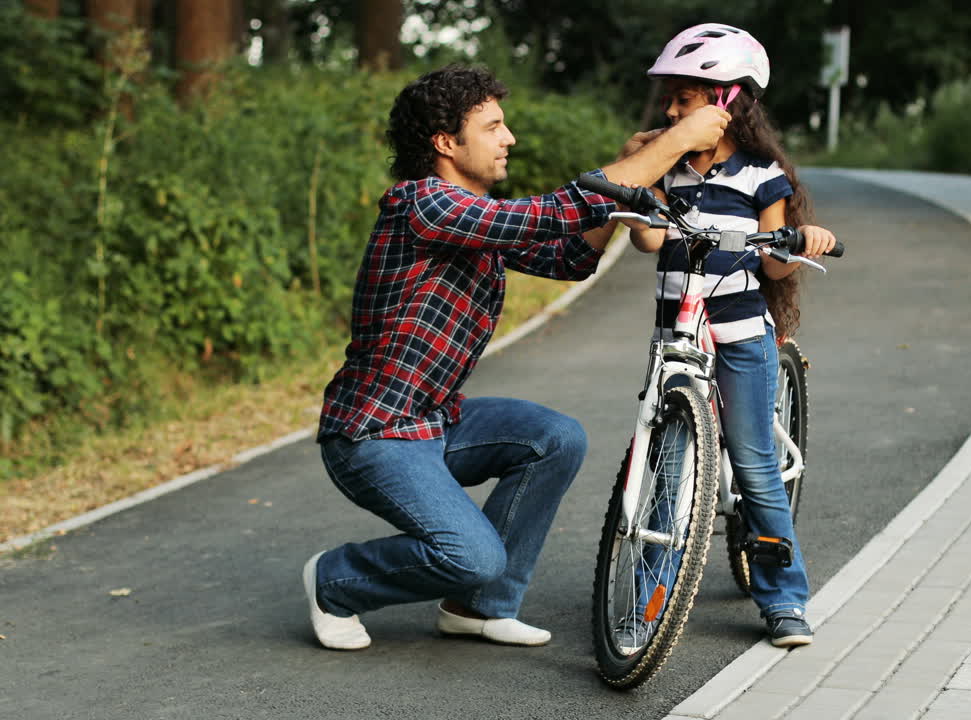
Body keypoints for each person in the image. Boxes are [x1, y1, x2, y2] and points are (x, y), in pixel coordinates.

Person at [304, 63, 730, 651]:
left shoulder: (471, 221)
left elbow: (569, 258)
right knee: (472, 553)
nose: (510, 139)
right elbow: (554, 213)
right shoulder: (424, 205)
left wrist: (637, 183)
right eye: (494, 126)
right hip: (375, 435)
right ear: (446, 143)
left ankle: (478, 606)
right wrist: (677, 141)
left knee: (556, 437)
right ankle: (336, 581)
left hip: (437, 423)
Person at [621, 24, 838, 648]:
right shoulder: (669, 162)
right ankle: (649, 600)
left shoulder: (762, 175)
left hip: (740, 334)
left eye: (682, 98)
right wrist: (644, 187)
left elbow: (772, 264)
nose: (669, 109)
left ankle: (784, 601)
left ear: (722, 101)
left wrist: (803, 241)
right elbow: (649, 239)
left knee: (755, 465)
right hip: (677, 334)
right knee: (667, 468)